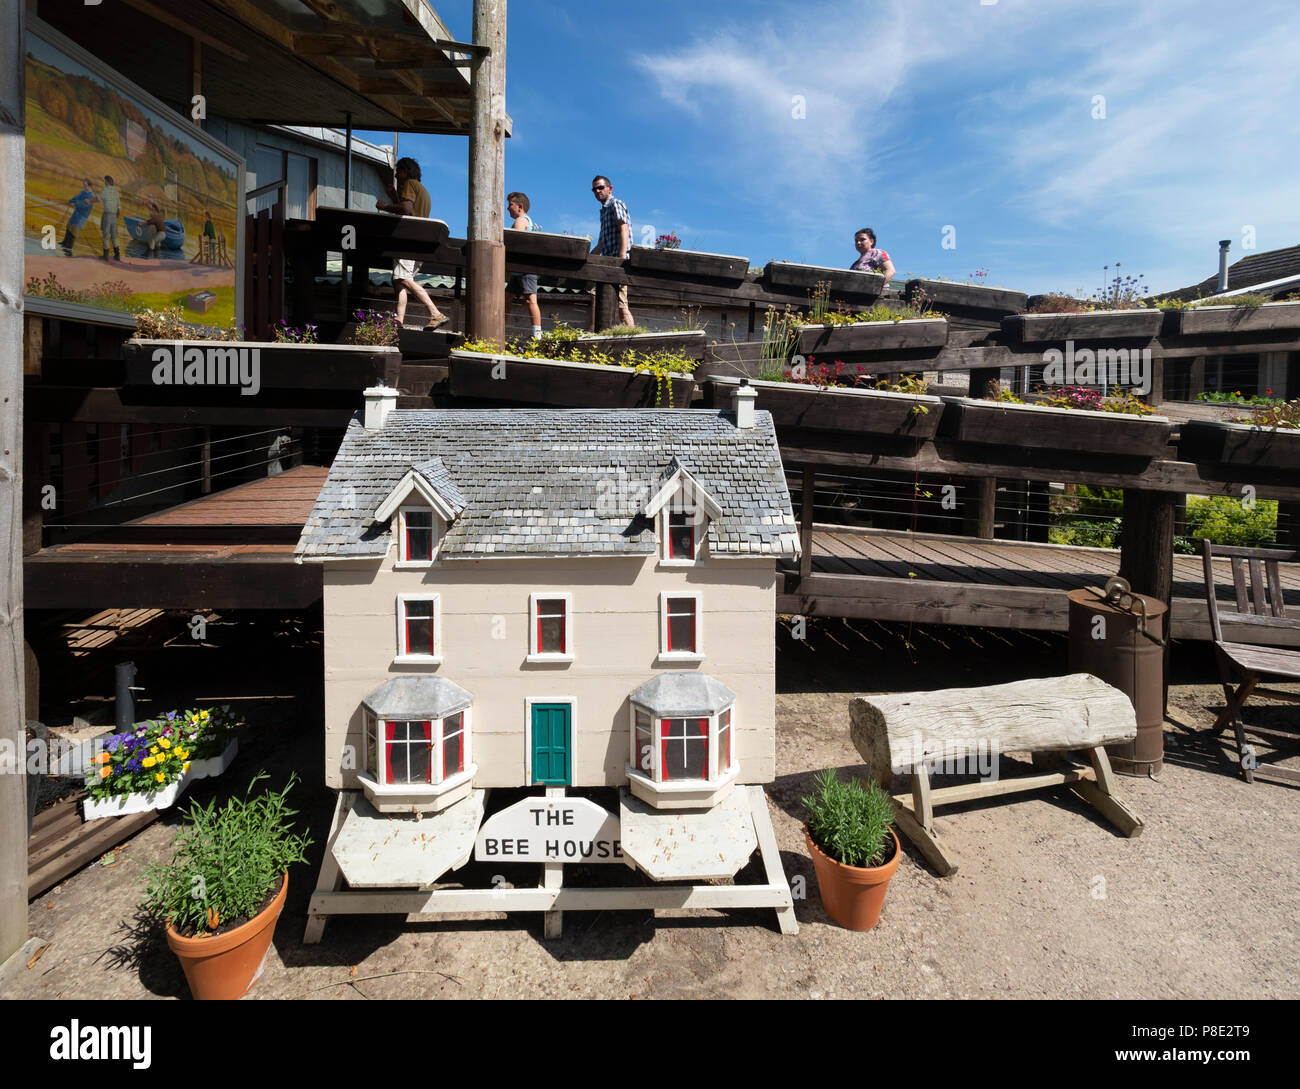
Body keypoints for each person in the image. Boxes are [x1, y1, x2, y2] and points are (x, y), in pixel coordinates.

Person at [376, 156, 449, 330]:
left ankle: (435, 313)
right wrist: (394, 197)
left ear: (406, 171)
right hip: (421, 240)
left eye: (398, 172)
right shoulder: (422, 190)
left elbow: (406, 210)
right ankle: (398, 321)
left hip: (409, 239)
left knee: (403, 278)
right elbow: (411, 211)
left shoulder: (409, 184)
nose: (396, 176)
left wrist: (384, 206)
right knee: (399, 281)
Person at [589, 175, 634, 331]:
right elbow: (601, 243)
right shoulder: (604, 212)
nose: (597, 191)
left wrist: (621, 259)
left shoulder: (616, 204)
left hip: (617, 264)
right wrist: (588, 258)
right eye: (594, 189)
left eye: (601, 188)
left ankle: (633, 337)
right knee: (595, 294)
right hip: (606, 265)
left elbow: (624, 229)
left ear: (610, 188)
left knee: (621, 304)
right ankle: (597, 331)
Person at [506, 191, 543, 339]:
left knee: (530, 299)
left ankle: (537, 335)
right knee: (505, 299)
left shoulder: (521, 221)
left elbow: (515, 242)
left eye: (510, 205)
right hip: (518, 270)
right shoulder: (527, 220)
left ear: (520, 206)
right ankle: (498, 328)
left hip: (524, 268)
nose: (508, 208)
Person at [61, 178, 97, 256]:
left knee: (74, 231)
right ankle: (64, 243)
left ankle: (69, 248)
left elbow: (85, 206)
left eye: (85, 185)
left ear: (89, 186)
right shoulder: (83, 191)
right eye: (83, 185)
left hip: (81, 216)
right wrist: (70, 201)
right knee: (69, 226)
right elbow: (76, 197)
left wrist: (75, 205)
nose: (84, 186)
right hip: (76, 213)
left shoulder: (92, 196)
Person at [99, 175, 120, 262]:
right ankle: (117, 255)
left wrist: (89, 201)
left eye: (104, 181)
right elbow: (119, 207)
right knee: (114, 235)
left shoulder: (105, 190)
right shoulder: (116, 192)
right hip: (114, 216)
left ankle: (105, 256)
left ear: (107, 181)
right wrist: (116, 216)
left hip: (107, 215)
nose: (104, 182)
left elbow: (98, 198)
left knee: (106, 235)